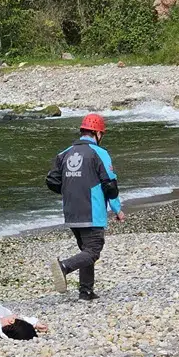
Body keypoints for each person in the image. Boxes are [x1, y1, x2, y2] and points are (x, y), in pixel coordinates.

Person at [45, 113, 123, 301]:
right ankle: (64, 266)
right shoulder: (99, 153)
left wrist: (72, 193)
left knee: (86, 251)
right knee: (93, 250)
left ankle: (85, 291)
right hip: (92, 210)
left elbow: (51, 181)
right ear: (97, 133)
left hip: (71, 210)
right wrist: (117, 208)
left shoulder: (64, 153)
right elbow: (110, 185)